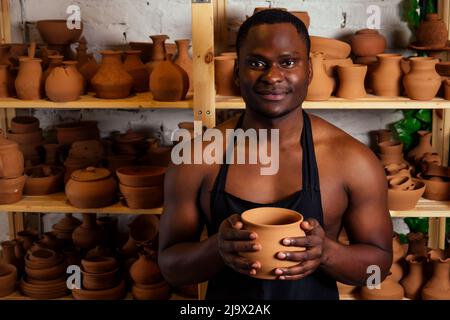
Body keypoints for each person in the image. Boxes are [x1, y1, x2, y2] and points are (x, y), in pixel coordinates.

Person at [158, 9, 393, 300]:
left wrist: (327, 253)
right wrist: (217, 248)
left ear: (307, 71)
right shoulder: (197, 157)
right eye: (257, 63)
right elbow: (170, 268)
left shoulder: (353, 161)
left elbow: (378, 269)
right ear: (236, 71)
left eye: (288, 62)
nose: (272, 76)